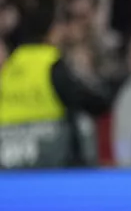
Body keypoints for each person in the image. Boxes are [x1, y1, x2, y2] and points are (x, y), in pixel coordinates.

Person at [0, 16, 112, 169]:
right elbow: (82, 99)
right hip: (50, 158)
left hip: (10, 159)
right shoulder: (50, 63)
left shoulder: (10, 65)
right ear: (51, 31)